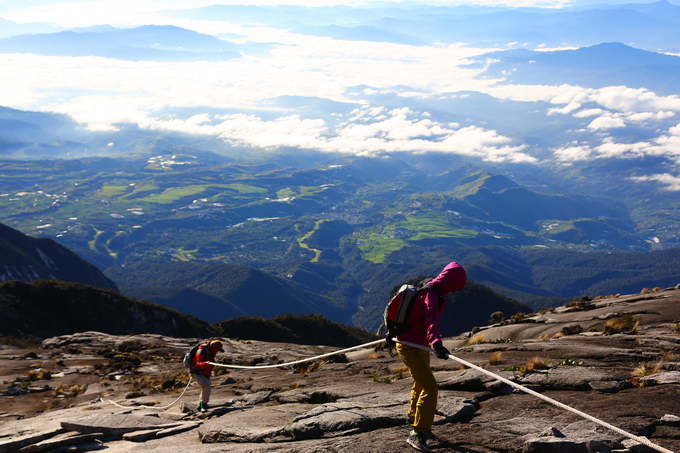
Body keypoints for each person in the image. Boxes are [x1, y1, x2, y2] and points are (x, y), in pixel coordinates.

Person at [394, 262, 467, 452]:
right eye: (456, 285)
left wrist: (430, 343)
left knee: (420, 382)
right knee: (430, 387)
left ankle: (413, 416)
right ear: (451, 281)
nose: (455, 290)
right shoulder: (432, 293)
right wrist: (436, 343)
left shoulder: (435, 288)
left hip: (418, 344)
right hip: (409, 346)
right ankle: (418, 432)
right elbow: (430, 319)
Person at [190, 339, 224, 412]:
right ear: (214, 348)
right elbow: (197, 363)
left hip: (204, 373)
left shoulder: (210, 352)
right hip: (197, 372)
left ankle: (200, 405)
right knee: (206, 386)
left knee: (205, 387)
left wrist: (208, 374)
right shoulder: (202, 351)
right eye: (218, 350)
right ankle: (204, 406)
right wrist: (205, 363)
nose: (218, 352)